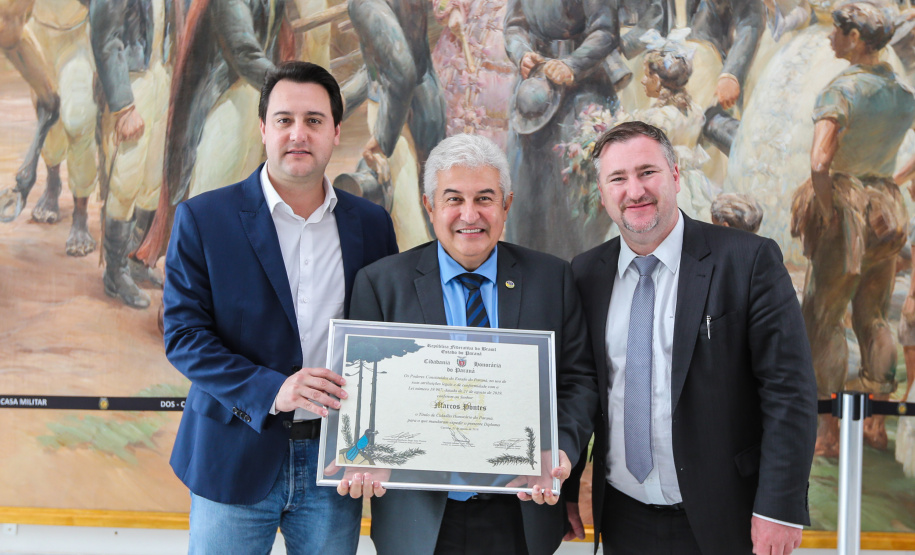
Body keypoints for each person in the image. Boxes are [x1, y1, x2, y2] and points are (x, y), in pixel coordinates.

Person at [163, 61, 398, 554]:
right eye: (284, 119)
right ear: (263, 129)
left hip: (334, 463)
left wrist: (378, 442)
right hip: (232, 454)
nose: (298, 134)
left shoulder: (373, 224)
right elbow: (184, 337)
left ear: (336, 132)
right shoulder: (204, 219)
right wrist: (274, 389)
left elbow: (387, 340)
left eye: (314, 120)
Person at [340, 133, 598, 555]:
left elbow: (578, 382)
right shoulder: (380, 284)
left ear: (506, 205)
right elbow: (364, 391)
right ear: (429, 206)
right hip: (419, 520)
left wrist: (560, 449)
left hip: (520, 512)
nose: (470, 214)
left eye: (484, 198)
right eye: (454, 199)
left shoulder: (552, 279)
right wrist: (361, 452)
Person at [568, 121, 817, 554]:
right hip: (624, 518)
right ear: (603, 192)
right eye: (618, 178)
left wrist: (779, 508)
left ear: (675, 176)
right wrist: (569, 489)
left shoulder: (748, 261)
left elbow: (789, 391)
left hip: (728, 515)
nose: (634, 191)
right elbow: (576, 386)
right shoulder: (585, 273)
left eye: (647, 172)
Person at [791, 2, 915, 457]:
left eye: (838, 31)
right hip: (885, 210)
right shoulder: (902, 92)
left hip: (845, 212)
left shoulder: (842, 90)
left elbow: (820, 162)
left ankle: (827, 433)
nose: (831, 37)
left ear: (856, 38)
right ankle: (876, 424)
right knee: (874, 316)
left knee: (823, 319)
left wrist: (826, 209)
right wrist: (890, 180)